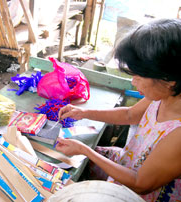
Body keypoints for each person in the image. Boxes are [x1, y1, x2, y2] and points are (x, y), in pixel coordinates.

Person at [56, 18, 181, 202]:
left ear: (169, 79)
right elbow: (130, 114)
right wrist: (84, 113)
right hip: (128, 162)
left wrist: (86, 151)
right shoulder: (163, 95)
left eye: (139, 75)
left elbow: (141, 183)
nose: (133, 81)